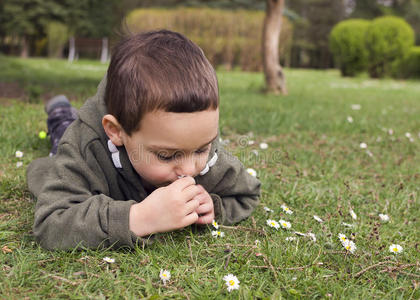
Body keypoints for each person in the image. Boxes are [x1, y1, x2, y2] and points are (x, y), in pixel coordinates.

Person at [27, 30, 260, 250]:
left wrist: (213, 207)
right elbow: (52, 222)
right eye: (167, 155)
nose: (190, 170)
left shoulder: (205, 152)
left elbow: (246, 194)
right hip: (83, 139)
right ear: (116, 132)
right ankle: (61, 115)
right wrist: (139, 218)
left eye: (201, 148)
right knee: (63, 136)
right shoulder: (86, 145)